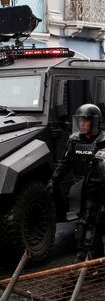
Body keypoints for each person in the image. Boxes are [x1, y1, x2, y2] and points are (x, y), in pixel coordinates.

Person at [48, 104, 105, 262]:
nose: (82, 124)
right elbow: (64, 163)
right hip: (81, 190)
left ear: (95, 122)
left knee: (93, 227)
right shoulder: (74, 140)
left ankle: (83, 263)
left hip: (100, 190)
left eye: (86, 121)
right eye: (80, 121)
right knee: (87, 226)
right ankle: (92, 264)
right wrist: (54, 181)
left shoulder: (103, 141)